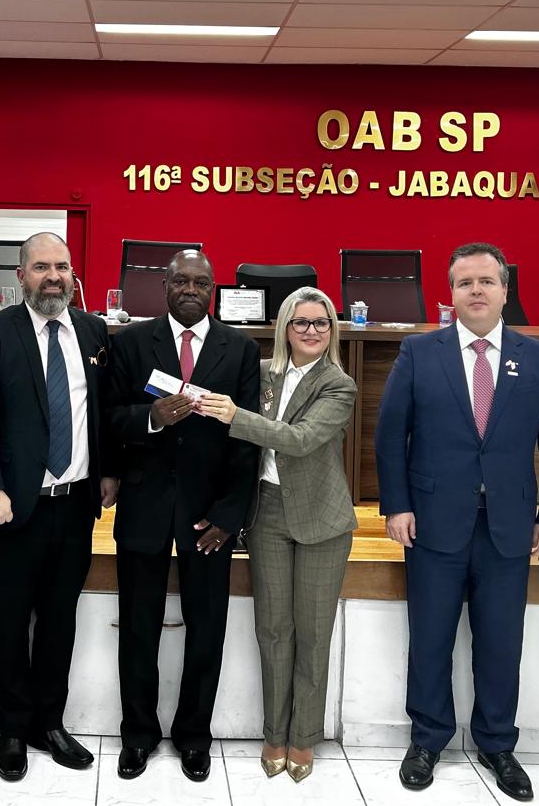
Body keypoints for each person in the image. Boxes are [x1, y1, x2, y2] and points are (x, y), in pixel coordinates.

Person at [375, 242, 539, 802]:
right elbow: (390, 435)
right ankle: (427, 739)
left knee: (501, 641)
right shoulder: (420, 351)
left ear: (506, 290)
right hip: (433, 521)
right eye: (466, 283)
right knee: (430, 636)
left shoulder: (538, 357)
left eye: (487, 281)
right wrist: (397, 505)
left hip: (510, 526)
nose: (477, 291)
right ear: (451, 294)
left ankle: (497, 743)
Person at [0, 231, 115, 782]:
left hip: (74, 506)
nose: (53, 277)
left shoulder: (93, 331)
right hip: (13, 506)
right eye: (42, 267)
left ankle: (50, 723)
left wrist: (109, 471)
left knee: (58, 620)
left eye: (62, 267)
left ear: (73, 274)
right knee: (10, 619)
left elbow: (103, 410)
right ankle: (13, 729)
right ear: (21, 275)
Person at [105, 249, 259, 783]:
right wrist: (149, 417)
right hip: (144, 506)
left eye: (200, 283)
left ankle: (194, 737)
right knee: (138, 630)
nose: (190, 290)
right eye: (180, 281)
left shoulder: (240, 350)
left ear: (213, 289)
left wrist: (231, 515)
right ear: (165, 287)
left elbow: (247, 437)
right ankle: (138, 735)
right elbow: (108, 418)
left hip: (209, 515)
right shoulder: (130, 342)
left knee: (207, 629)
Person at [201, 286, 356, 784]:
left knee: (313, 633)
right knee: (272, 629)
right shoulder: (263, 373)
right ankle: (274, 731)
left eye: (321, 322)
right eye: (301, 322)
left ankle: (303, 735)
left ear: (331, 330)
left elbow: (300, 440)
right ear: (285, 327)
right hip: (266, 512)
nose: (312, 330)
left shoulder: (339, 384)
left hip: (321, 520)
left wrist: (234, 415)